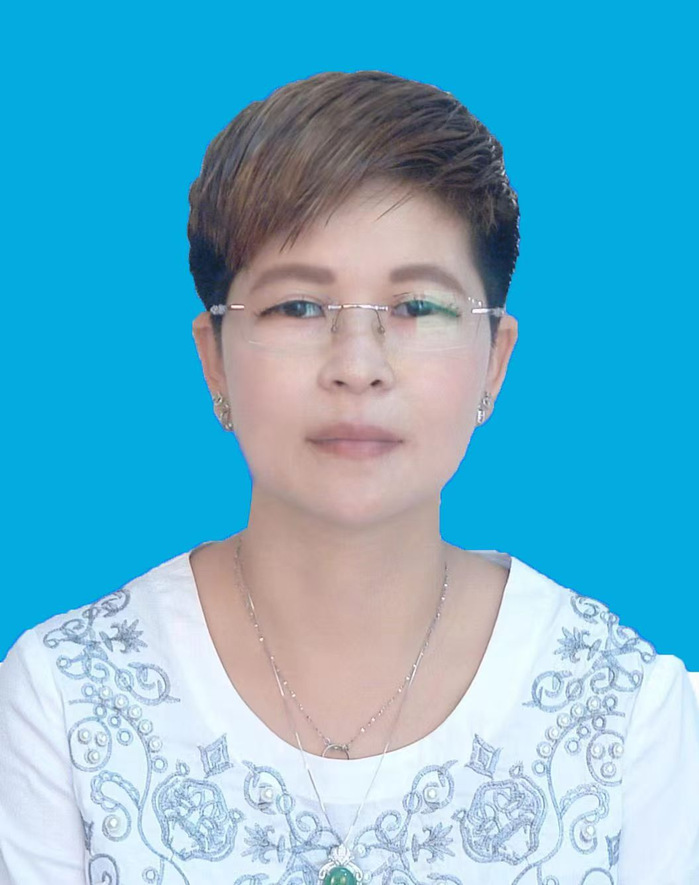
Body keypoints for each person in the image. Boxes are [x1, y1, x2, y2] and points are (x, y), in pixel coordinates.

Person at [0, 70, 697, 885]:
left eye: (417, 307)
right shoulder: (65, 697)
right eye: (298, 307)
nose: (357, 366)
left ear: (493, 363)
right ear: (213, 359)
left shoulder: (626, 711)